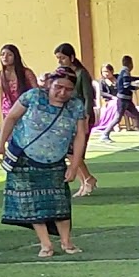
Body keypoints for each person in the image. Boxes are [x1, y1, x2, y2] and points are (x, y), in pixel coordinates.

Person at [0, 67, 88, 258]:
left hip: (55, 160)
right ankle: (46, 244)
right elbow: (11, 117)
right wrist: (0, 145)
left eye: (68, 89)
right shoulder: (33, 97)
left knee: (60, 203)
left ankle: (66, 241)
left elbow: (80, 135)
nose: (63, 93)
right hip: (24, 157)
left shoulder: (76, 106)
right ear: (49, 84)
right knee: (33, 203)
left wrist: (75, 165)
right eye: (58, 87)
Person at [53, 43, 98, 197]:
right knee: (69, 152)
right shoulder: (62, 74)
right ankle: (86, 180)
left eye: (63, 58)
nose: (60, 61)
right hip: (67, 117)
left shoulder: (81, 74)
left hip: (82, 116)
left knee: (74, 152)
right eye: (58, 58)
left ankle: (87, 179)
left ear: (71, 57)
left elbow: (88, 97)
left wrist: (86, 118)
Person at [0, 44, 38, 118]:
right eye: (2, 54)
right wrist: (3, 116)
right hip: (8, 110)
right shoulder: (0, 75)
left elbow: (37, 92)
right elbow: (2, 96)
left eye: (9, 55)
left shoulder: (26, 73)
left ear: (16, 57)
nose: (5, 57)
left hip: (26, 109)